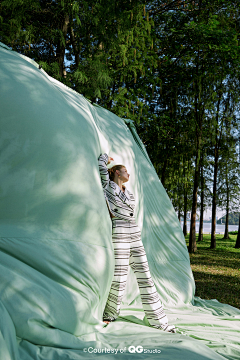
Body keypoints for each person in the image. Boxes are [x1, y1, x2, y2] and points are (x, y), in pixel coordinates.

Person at [98, 153, 176, 333]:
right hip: (119, 232)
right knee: (119, 277)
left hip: (134, 233)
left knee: (146, 276)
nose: (129, 174)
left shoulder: (130, 194)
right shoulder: (108, 186)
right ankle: (110, 314)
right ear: (117, 173)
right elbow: (102, 169)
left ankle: (159, 322)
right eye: (125, 171)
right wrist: (105, 158)